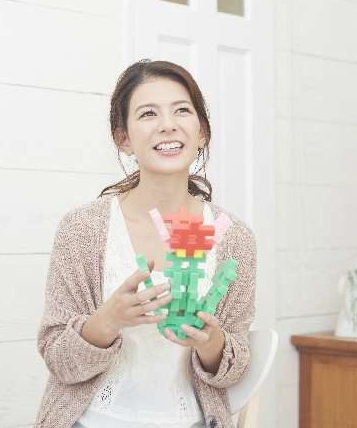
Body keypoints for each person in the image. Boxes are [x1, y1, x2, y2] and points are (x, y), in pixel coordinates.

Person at [34, 60, 256, 428]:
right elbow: (59, 360)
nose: (168, 124)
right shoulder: (82, 229)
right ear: (124, 140)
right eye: (148, 113)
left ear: (202, 132)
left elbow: (233, 370)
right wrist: (107, 321)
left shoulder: (234, 239)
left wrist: (210, 341)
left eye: (181, 110)